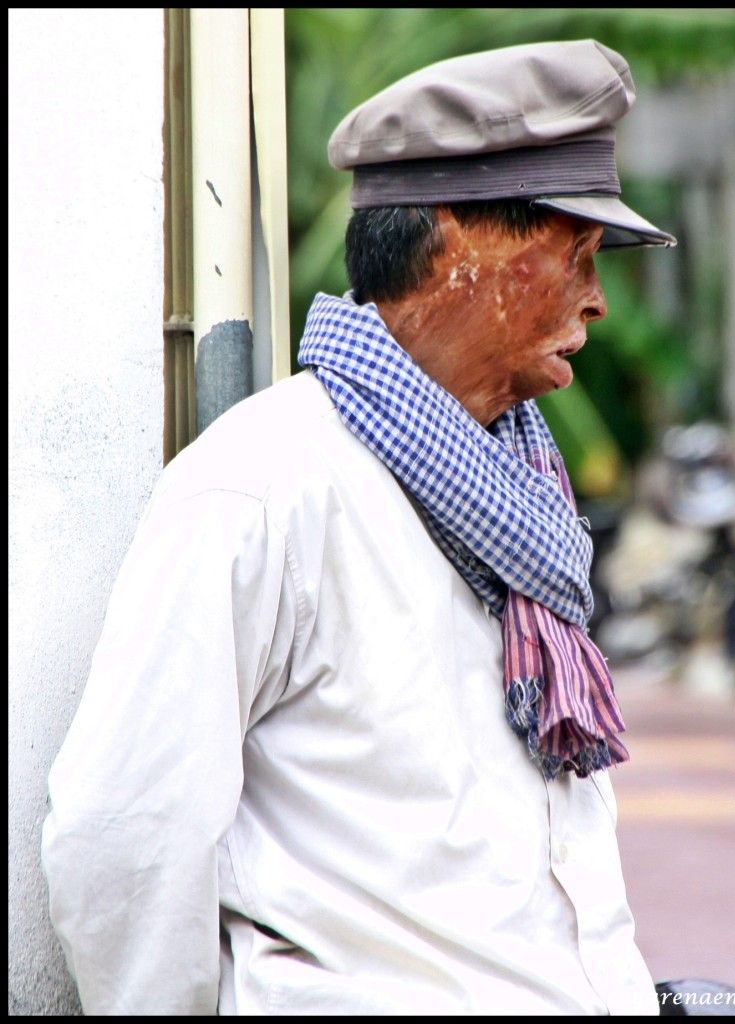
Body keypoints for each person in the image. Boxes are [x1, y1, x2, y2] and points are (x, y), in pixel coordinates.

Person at [42, 39, 676, 1015]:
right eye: (576, 257)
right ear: (462, 250)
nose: (595, 299)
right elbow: (129, 831)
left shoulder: (521, 488)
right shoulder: (263, 484)